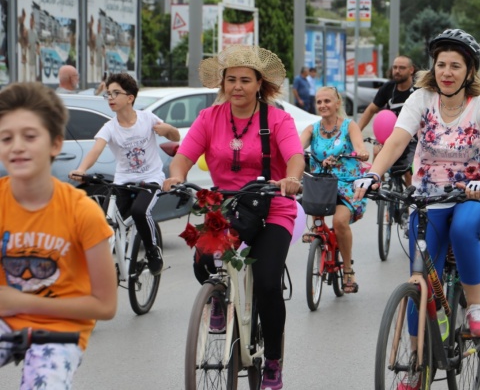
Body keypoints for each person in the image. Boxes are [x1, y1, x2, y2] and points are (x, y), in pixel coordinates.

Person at [354, 29, 480, 367]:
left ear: (470, 72)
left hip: (476, 191)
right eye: (441, 65)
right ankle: (415, 360)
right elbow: (396, 141)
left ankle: (474, 306)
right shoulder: (421, 98)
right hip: (429, 195)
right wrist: (373, 173)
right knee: (420, 283)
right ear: (433, 68)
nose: (447, 72)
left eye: (456, 66)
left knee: (463, 230)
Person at [163, 44, 304, 390]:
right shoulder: (209, 118)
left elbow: (295, 156)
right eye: (231, 80)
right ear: (222, 84)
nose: (237, 86)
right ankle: (218, 297)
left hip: (274, 206)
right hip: (227, 206)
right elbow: (184, 155)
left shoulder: (277, 119)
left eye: (245, 80)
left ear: (260, 84)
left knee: (268, 283)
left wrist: (291, 179)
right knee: (201, 261)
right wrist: (176, 175)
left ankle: (272, 360)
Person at [0, 82, 117, 388]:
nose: (17, 147)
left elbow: (105, 306)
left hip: (61, 328)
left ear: (55, 144)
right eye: (6, 138)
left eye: (29, 136)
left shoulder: (83, 212)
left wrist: (21, 302)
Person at [69, 73, 179, 276]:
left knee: (139, 211)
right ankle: (115, 260)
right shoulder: (109, 128)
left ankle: (153, 252)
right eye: (108, 94)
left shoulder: (147, 119)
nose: (110, 97)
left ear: (130, 98)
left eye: (116, 93)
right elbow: (96, 149)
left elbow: (176, 136)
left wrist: (168, 129)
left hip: (150, 180)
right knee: (107, 221)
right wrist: (82, 169)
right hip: (123, 182)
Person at [300, 86, 369, 293]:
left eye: (327, 101)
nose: (323, 105)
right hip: (321, 184)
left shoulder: (349, 126)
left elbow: (359, 146)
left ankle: (348, 269)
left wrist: (362, 152)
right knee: (317, 216)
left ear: (337, 103)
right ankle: (320, 240)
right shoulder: (312, 129)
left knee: (339, 222)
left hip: (347, 184)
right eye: (319, 102)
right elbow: (295, 148)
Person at [357, 55, 417, 185]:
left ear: (411, 70)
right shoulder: (388, 88)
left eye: (402, 68)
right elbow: (370, 110)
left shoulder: (418, 90)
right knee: (377, 151)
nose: (397, 71)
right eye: (395, 67)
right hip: (390, 136)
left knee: (408, 171)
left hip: (413, 138)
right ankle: (380, 187)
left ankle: (411, 200)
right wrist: (356, 132)